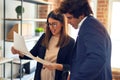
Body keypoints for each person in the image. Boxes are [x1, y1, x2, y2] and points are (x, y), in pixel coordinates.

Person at [11, 9, 75, 80]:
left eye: (54, 24)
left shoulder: (70, 42)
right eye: (49, 24)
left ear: (62, 23)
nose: (51, 27)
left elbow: (70, 66)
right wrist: (20, 53)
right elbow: (32, 54)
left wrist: (55, 66)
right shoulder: (44, 37)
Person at [58, 0, 112, 80]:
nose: (68, 22)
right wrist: (72, 73)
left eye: (70, 18)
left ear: (81, 15)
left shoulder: (90, 27)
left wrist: (77, 78)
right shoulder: (90, 24)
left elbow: (96, 59)